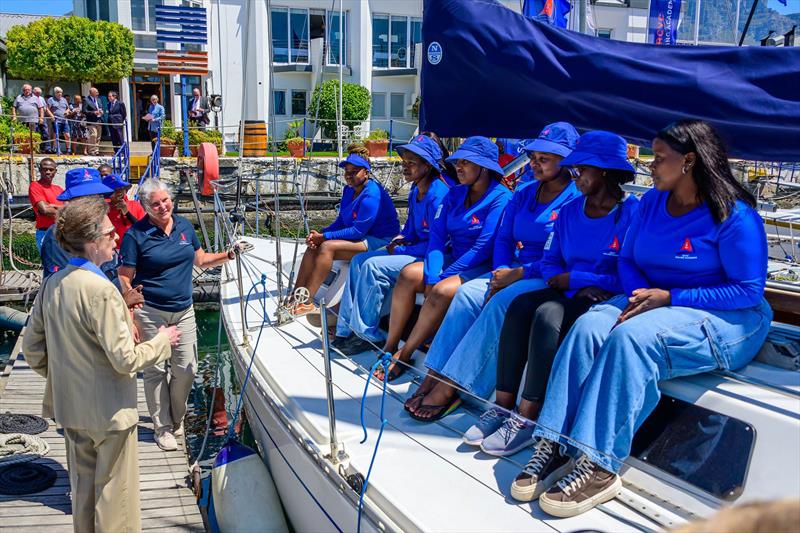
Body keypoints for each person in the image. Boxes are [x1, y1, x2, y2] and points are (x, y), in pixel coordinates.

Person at [511, 119, 772, 518]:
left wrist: (671, 297)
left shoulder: (735, 216)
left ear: (689, 161)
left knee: (630, 339)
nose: (649, 165)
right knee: (588, 327)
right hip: (654, 299)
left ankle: (600, 463)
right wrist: (635, 295)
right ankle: (557, 442)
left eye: (659, 159)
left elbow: (748, 291)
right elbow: (629, 260)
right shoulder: (650, 204)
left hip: (727, 316)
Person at [464, 131, 639, 457]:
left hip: (603, 296)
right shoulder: (572, 212)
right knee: (518, 306)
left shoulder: (631, 213)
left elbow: (628, 275)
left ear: (602, 170)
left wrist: (577, 277)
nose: (576, 176)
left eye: (581, 169)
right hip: (573, 289)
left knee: (546, 315)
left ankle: (528, 418)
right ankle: (503, 407)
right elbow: (550, 261)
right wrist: (574, 280)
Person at [22, 195, 181, 533]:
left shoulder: (52, 284)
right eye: (110, 233)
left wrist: (64, 375)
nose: (117, 237)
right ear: (92, 242)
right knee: (116, 501)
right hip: (109, 414)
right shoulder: (103, 290)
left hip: (71, 408)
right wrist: (163, 341)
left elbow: (32, 349)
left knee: (82, 494)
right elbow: (126, 359)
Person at [405, 124, 582, 421]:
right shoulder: (524, 193)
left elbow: (566, 255)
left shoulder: (576, 198)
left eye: (544, 158)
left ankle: (452, 386)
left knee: (500, 304)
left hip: (546, 273)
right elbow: (503, 239)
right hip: (513, 267)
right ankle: (432, 375)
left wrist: (514, 276)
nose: (535, 163)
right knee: (464, 296)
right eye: (534, 157)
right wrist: (501, 270)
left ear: (566, 161)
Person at [373, 136, 512, 391]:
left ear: (484, 167)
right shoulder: (455, 194)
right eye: (457, 162)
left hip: (482, 264)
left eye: (466, 163)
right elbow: (436, 238)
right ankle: (390, 345)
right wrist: (435, 271)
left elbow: (484, 246)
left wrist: (445, 276)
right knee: (408, 275)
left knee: (440, 291)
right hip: (453, 257)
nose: (458, 167)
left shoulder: (500, 198)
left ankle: (405, 353)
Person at [119, 179, 240, 451]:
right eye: (155, 203)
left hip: (184, 310)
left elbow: (200, 259)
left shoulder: (184, 226)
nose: (162, 206)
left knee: (187, 369)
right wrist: (130, 313)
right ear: (145, 207)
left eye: (165, 200)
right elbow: (124, 278)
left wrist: (230, 255)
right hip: (150, 312)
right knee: (154, 371)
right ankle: (163, 427)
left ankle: (176, 419)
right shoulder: (135, 235)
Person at [329, 135, 450, 354]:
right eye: (405, 162)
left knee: (373, 267)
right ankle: (345, 329)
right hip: (415, 248)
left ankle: (366, 334)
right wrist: (399, 240)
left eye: (411, 163)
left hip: (431, 254)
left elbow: (437, 242)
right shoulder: (416, 191)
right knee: (358, 261)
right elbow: (412, 229)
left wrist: (403, 249)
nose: (405, 167)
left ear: (427, 165)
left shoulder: (438, 195)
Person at [289, 145, 400, 316]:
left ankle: (308, 301)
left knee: (327, 247)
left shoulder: (372, 195)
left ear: (366, 172)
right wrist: (320, 234)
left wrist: (325, 237)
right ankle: (296, 296)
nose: (349, 175)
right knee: (314, 246)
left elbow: (357, 231)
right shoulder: (349, 190)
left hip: (380, 240)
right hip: (363, 236)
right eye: (347, 171)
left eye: (354, 171)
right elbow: (342, 220)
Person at [28, 158, 64, 253]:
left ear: (55, 171)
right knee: (51, 266)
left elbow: (71, 208)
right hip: (46, 233)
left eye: (51, 169)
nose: (48, 172)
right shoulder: (35, 186)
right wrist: (64, 210)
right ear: (40, 170)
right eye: (45, 169)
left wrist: (55, 208)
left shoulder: (59, 189)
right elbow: (45, 210)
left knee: (63, 266)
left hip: (62, 233)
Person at [104, 174, 146, 246]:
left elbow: (143, 229)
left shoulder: (135, 205)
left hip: (132, 247)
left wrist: (127, 213)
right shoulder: (104, 209)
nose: (120, 192)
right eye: (115, 190)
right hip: (111, 249)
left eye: (122, 188)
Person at [47, 87, 72, 154]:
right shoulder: (51, 100)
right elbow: (47, 109)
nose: (60, 94)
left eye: (60, 92)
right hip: (56, 120)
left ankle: (68, 149)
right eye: (58, 92)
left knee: (67, 135)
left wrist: (67, 111)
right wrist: (51, 116)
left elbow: (68, 108)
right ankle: (56, 149)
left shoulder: (64, 100)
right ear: (55, 93)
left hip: (64, 120)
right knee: (56, 134)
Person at [84, 87, 103, 156]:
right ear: (92, 93)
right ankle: (91, 150)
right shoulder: (86, 100)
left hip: (99, 120)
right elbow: (84, 111)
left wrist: (101, 111)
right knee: (93, 135)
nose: (98, 93)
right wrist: (94, 112)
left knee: (98, 136)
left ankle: (96, 150)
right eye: (96, 92)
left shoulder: (99, 100)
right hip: (91, 121)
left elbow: (101, 107)